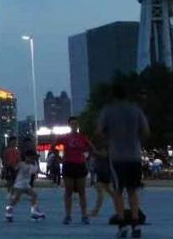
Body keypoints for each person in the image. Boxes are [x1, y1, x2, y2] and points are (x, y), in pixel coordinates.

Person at [96, 82, 149, 239]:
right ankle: (135, 224)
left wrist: (110, 140)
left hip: (117, 156)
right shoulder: (135, 110)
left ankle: (122, 224)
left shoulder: (108, 111)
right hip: (134, 155)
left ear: (113, 95)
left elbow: (99, 131)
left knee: (118, 191)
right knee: (132, 191)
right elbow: (146, 130)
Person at [60, 115, 92, 224]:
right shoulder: (64, 137)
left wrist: (93, 156)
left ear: (78, 125)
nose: (74, 125)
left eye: (76, 123)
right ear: (69, 125)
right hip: (68, 165)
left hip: (80, 165)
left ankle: (84, 215)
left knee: (81, 192)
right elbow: (53, 145)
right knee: (68, 191)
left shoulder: (83, 137)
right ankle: (68, 215)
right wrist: (58, 157)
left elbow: (92, 147)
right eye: (72, 124)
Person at [5, 149, 46, 222]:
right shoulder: (21, 164)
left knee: (34, 195)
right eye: (30, 157)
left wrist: (47, 174)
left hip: (26, 185)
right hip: (19, 184)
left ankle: (34, 212)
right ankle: (8, 212)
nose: (32, 159)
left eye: (33, 157)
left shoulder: (34, 164)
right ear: (26, 157)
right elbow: (14, 168)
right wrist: (14, 163)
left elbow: (37, 171)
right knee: (16, 199)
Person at [88, 133, 113, 219]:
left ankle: (96, 210)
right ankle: (120, 204)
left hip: (104, 170)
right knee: (108, 190)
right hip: (103, 170)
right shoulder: (105, 143)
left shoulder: (105, 144)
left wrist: (94, 150)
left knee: (101, 191)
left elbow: (104, 155)